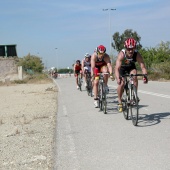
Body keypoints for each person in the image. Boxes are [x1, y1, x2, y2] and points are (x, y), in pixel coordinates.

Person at [114, 38, 148, 112]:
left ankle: (134, 95)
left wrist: (145, 76)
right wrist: (117, 78)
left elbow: (143, 67)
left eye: (132, 49)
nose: (130, 51)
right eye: (128, 49)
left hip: (131, 68)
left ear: (134, 48)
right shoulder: (122, 54)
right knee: (121, 83)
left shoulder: (137, 54)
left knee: (134, 75)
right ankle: (119, 101)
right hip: (122, 69)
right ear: (125, 48)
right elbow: (116, 68)